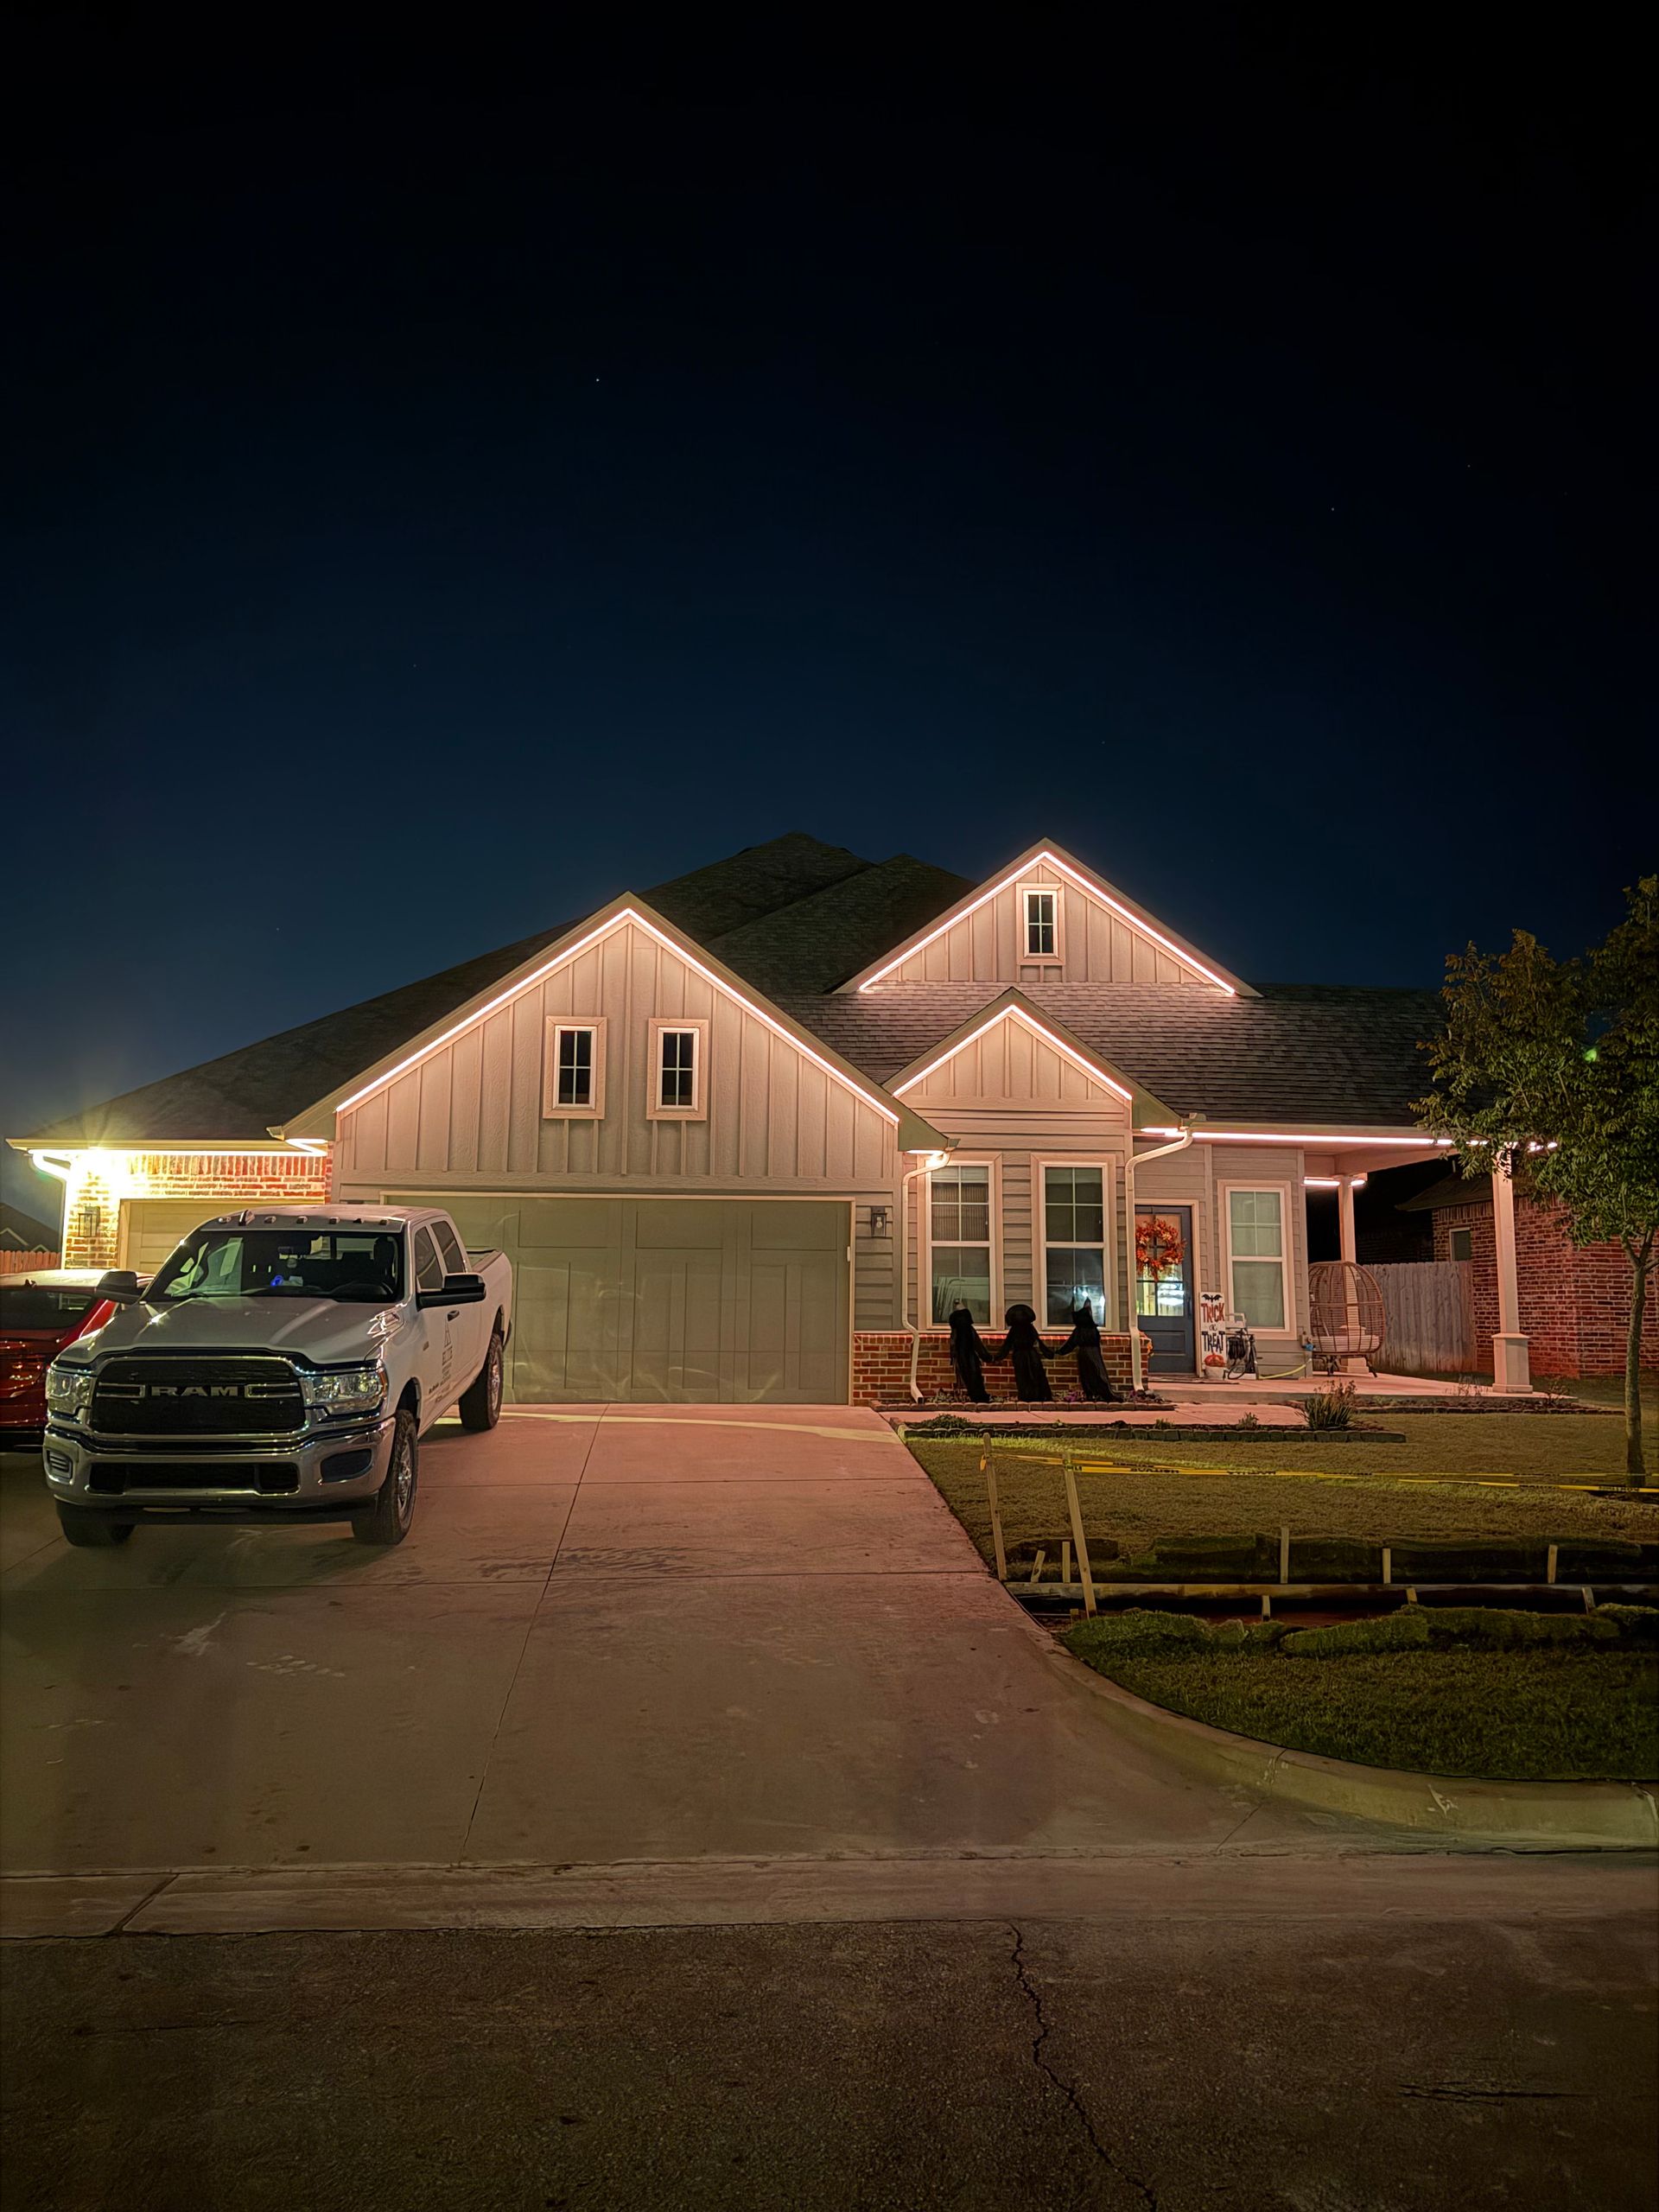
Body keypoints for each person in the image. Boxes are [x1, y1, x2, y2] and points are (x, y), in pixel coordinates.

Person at [1052, 1297, 1119, 1402]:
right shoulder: (1093, 1330)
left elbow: (1071, 1344)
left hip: (1084, 1353)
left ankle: (1091, 1393)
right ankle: (1100, 1393)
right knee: (1098, 1373)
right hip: (1095, 1353)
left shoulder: (1079, 1330)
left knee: (1087, 1375)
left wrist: (1059, 1352)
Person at [991, 1303, 1052, 1402]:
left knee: (1022, 1376)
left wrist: (997, 1357)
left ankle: (1026, 1396)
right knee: (1035, 1374)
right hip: (1031, 1353)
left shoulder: (1014, 1330)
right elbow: (1039, 1342)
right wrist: (1048, 1353)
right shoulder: (1030, 1328)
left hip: (1019, 1354)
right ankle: (1038, 1395)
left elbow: (1007, 1345)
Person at [945, 1302, 990, 1402]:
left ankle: (975, 1395)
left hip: (963, 1356)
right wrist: (987, 1357)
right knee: (974, 1374)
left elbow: (953, 1344)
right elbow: (978, 1345)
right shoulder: (970, 1330)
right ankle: (978, 1395)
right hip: (969, 1355)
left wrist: (953, 1356)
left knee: (967, 1375)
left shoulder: (956, 1331)